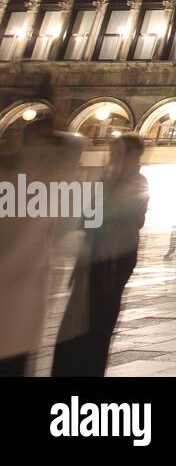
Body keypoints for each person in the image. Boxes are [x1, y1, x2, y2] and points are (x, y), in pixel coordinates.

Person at [0, 82, 85, 377]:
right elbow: (73, 146)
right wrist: (57, 114)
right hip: (19, 309)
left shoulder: (36, 180)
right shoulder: (42, 182)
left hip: (19, 308)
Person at [52, 133, 149, 377]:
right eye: (112, 151)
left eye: (119, 152)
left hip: (115, 260)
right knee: (75, 321)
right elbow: (88, 218)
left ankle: (89, 369)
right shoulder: (105, 181)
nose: (113, 156)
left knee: (99, 322)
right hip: (92, 258)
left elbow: (132, 217)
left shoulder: (137, 182)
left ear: (134, 155)